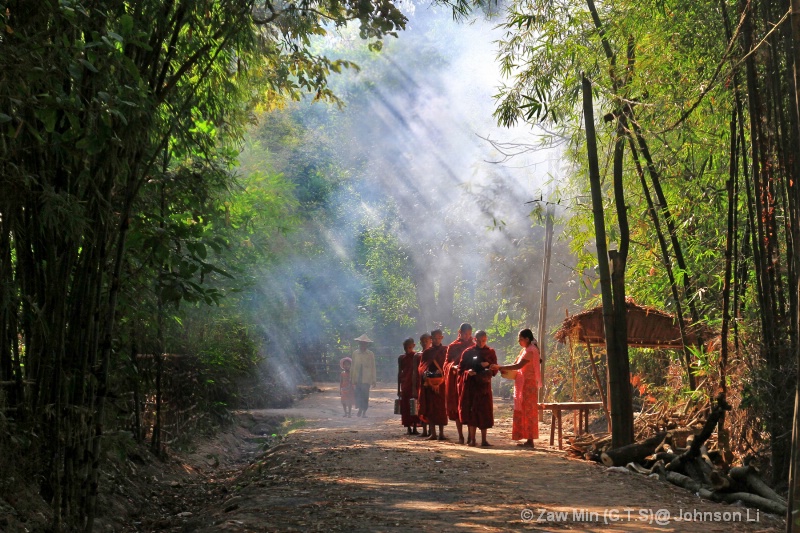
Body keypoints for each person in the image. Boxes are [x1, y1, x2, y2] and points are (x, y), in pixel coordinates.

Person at [493, 328, 541, 447]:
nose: (519, 342)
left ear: (527, 339)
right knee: (524, 410)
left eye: (521, 339)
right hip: (524, 384)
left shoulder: (531, 351)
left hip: (528, 385)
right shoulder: (525, 350)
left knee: (529, 411)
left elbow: (518, 365)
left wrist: (500, 367)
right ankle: (528, 439)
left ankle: (530, 440)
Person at [458, 330, 498, 446]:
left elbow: (495, 368)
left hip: (484, 386)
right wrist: (468, 372)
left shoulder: (490, 352)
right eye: (479, 341)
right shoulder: (468, 352)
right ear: (474, 339)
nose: (481, 343)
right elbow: (461, 370)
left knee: (484, 412)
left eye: (484, 341)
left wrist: (489, 366)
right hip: (472, 386)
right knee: (472, 411)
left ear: (486, 339)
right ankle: (472, 439)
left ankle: (484, 440)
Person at [444, 323, 474, 444]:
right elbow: (446, 364)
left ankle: (470, 436)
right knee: (457, 407)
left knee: (469, 407)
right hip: (455, 380)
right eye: (464, 334)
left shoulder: (473, 346)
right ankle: (460, 435)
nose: (467, 336)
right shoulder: (452, 346)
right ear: (459, 332)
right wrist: (453, 367)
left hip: (469, 380)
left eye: (469, 334)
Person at [418, 329, 448, 440]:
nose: (436, 340)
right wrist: (426, 375)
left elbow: (447, 365)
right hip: (430, 383)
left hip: (442, 382)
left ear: (442, 337)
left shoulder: (446, 350)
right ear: (431, 339)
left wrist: (441, 375)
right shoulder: (427, 352)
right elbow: (422, 367)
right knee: (431, 408)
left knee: (440, 409)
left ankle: (441, 433)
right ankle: (433, 433)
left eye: (438, 338)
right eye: (434, 338)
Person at [398, 338, 421, 434]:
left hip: (414, 385)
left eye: (410, 347)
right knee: (406, 407)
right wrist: (398, 389)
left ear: (414, 346)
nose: (407, 350)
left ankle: (415, 427)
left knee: (414, 406)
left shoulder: (417, 356)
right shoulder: (401, 358)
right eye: (405, 348)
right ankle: (408, 428)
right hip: (405, 385)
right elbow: (399, 373)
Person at [350, 334, 377, 418]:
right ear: (359, 343)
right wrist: (351, 378)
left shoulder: (370, 354)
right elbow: (352, 366)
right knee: (358, 394)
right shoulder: (355, 353)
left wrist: (373, 380)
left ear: (367, 344)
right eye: (361, 343)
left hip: (366, 378)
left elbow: (373, 367)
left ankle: (364, 411)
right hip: (357, 377)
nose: (363, 345)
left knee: (365, 395)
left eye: (364, 343)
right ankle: (360, 409)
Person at [417, 332, 432, 437]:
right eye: (423, 341)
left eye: (426, 341)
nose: (424, 343)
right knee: (423, 406)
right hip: (421, 383)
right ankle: (424, 430)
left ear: (430, 341)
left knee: (431, 407)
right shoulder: (417, 355)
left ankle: (432, 430)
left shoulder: (434, 353)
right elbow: (415, 371)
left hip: (433, 383)